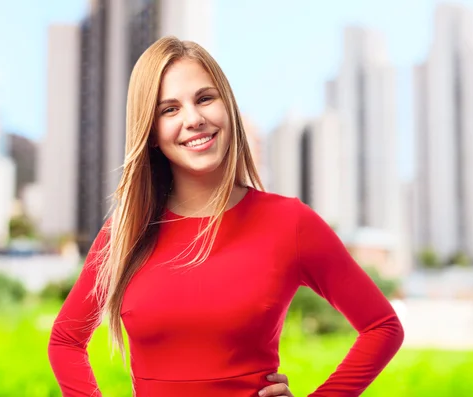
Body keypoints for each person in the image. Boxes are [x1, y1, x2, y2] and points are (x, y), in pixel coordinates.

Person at [48, 36, 404, 397]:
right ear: (151, 132)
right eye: (169, 109)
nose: (194, 119)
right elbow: (65, 340)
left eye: (205, 98)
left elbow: (383, 327)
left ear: (228, 107)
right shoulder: (125, 231)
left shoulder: (290, 223)